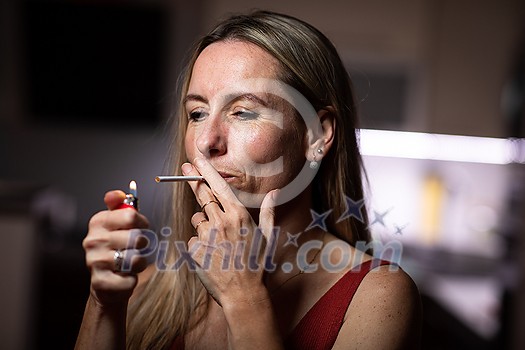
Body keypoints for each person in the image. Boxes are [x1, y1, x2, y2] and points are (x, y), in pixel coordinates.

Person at [75, 10, 421, 350]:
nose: (207, 141)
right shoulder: (148, 286)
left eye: (242, 112)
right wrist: (103, 303)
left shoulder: (377, 296)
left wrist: (244, 298)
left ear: (317, 135)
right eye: (197, 113)